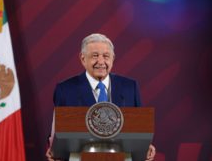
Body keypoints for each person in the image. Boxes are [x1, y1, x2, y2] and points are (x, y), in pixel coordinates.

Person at [46, 33, 156, 161]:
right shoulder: (65, 89)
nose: (101, 62)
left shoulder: (130, 87)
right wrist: (53, 148)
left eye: (106, 56)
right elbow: (58, 132)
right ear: (83, 59)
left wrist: (146, 146)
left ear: (113, 59)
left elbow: (138, 129)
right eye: (95, 56)